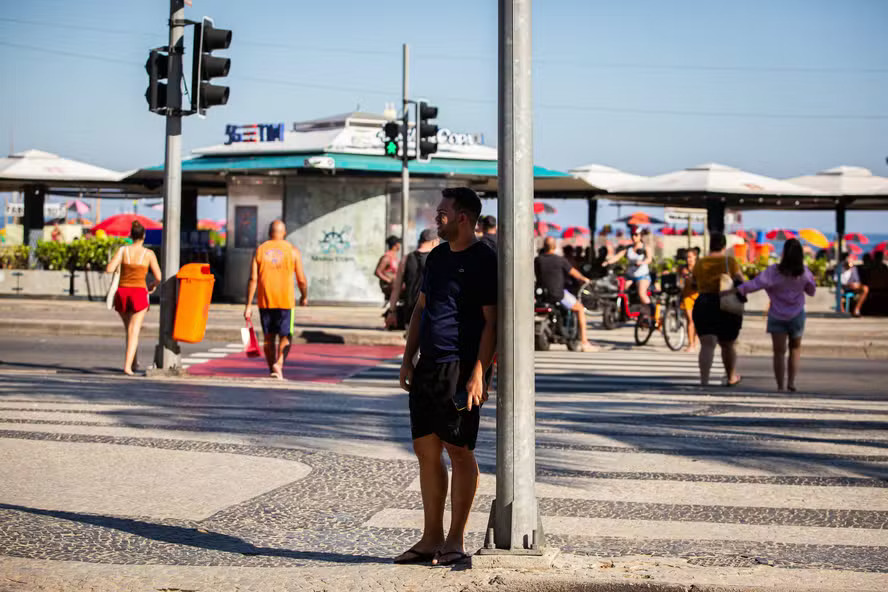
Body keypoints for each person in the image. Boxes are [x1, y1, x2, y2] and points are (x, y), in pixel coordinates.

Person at [394, 187, 497, 567]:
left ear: (462, 218)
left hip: (461, 368)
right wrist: (408, 359)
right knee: (426, 450)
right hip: (428, 367)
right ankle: (430, 537)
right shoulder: (436, 257)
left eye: (442, 213)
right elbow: (420, 309)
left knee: (459, 450)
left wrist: (479, 373)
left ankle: (455, 540)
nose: (436, 219)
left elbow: (492, 322)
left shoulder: (484, 258)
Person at [735, 238, 816, 392]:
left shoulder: (773, 271)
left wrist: (738, 290)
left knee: (778, 352)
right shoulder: (804, 272)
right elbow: (811, 291)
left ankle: (780, 386)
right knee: (795, 349)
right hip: (797, 315)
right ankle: (791, 382)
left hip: (777, 315)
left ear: (784, 253)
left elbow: (755, 284)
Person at [244, 220, 308, 379]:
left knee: (269, 337)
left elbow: (253, 279)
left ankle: (272, 369)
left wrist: (248, 306)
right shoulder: (293, 251)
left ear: (269, 233)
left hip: (265, 301)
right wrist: (304, 296)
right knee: (286, 335)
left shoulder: (259, 250)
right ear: (284, 233)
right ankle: (279, 364)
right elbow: (301, 280)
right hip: (286, 301)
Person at [105, 220, 161, 375]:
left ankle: (134, 362)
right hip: (139, 293)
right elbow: (158, 276)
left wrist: (122, 268)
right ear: (144, 236)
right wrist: (152, 285)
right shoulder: (148, 254)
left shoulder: (123, 251)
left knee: (128, 330)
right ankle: (127, 366)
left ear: (130, 235)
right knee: (134, 330)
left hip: (122, 293)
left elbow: (109, 269)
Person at [690, 232, 744, 387]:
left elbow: (693, 284)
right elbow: (741, 281)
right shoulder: (730, 262)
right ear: (724, 246)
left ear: (710, 245)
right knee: (727, 344)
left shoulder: (700, 263)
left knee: (707, 345)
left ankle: (704, 381)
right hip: (725, 304)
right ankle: (731, 377)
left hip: (704, 303)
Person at [535, 236, 599, 352]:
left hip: (542, 296)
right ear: (554, 246)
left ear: (544, 246)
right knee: (580, 309)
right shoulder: (560, 260)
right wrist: (585, 279)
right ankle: (584, 342)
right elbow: (573, 272)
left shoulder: (538, 260)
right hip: (558, 294)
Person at [385, 228, 439, 329]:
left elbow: (396, 288)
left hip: (410, 312)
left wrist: (392, 312)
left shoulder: (406, 258)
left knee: (411, 338)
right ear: (434, 242)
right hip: (431, 312)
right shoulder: (437, 259)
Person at [607, 226, 653, 316]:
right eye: (632, 234)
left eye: (636, 235)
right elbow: (618, 256)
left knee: (641, 293)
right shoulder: (628, 248)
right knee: (621, 291)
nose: (633, 237)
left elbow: (649, 259)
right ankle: (625, 312)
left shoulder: (645, 247)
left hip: (642, 276)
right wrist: (607, 262)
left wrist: (642, 262)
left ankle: (652, 312)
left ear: (640, 236)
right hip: (630, 277)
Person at [680, 247, 700, 352]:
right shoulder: (684, 268)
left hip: (698, 296)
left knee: (698, 321)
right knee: (690, 320)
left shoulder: (700, 267)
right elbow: (684, 277)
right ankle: (691, 344)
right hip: (687, 296)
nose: (688, 259)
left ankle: (695, 340)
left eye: (690, 257)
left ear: (695, 257)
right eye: (687, 257)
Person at [375, 236, 401, 301]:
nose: (400, 245)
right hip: (388, 285)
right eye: (399, 243)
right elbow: (377, 272)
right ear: (395, 245)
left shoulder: (394, 257)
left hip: (395, 284)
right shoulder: (386, 257)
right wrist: (388, 280)